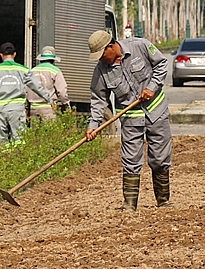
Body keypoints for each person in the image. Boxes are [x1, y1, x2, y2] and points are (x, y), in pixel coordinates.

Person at [84, 30, 172, 211]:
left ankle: (163, 201)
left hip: (156, 112)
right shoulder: (101, 70)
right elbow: (99, 100)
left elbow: (162, 64)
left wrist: (151, 87)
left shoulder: (139, 46)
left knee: (159, 159)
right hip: (131, 120)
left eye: (101, 55)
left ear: (110, 46)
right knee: (130, 161)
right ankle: (129, 205)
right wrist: (93, 125)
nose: (101, 59)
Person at [0, 42, 51, 155]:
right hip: (17, 109)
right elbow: (36, 86)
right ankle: (19, 161)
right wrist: (48, 99)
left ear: (1, 55)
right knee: (19, 137)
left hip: (0, 109)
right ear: (14, 54)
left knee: (2, 139)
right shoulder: (23, 69)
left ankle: (4, 162)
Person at [27, 46, 70, 120]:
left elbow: (26, 91)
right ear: (53, 60)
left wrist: (26, 109)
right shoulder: (55, 71)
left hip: (33, 109)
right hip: (49, 108)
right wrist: (66, 105)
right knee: (49, 131)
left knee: (36, 131)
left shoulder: (32, 71)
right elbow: (62, 92)